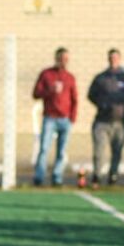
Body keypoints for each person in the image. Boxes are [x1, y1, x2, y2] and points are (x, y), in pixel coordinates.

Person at [87, 49, 124, 188]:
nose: (113, 60)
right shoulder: (101, 78)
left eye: (115, 58)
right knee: (99, 151)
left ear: (120, 59)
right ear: (108, 59)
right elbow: (91, 95)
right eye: (111, 58)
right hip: (102, 121)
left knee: (117, 151)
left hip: (120, 122)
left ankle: (113, 176)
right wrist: (101, 104)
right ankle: (97, 176)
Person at [32, 47, 77, 187]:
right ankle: (39, 176)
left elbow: (75, 99)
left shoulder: (70, 77)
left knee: (62, 151)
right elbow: (35, 94)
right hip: (50, 117)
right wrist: (50, 90)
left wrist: (72, 118)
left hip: (65, 119)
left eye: (66, 59)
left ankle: (57, 177)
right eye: (61, 59)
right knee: (44, 148)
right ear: (56, 59)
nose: (63, 62)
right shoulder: (46, 74)